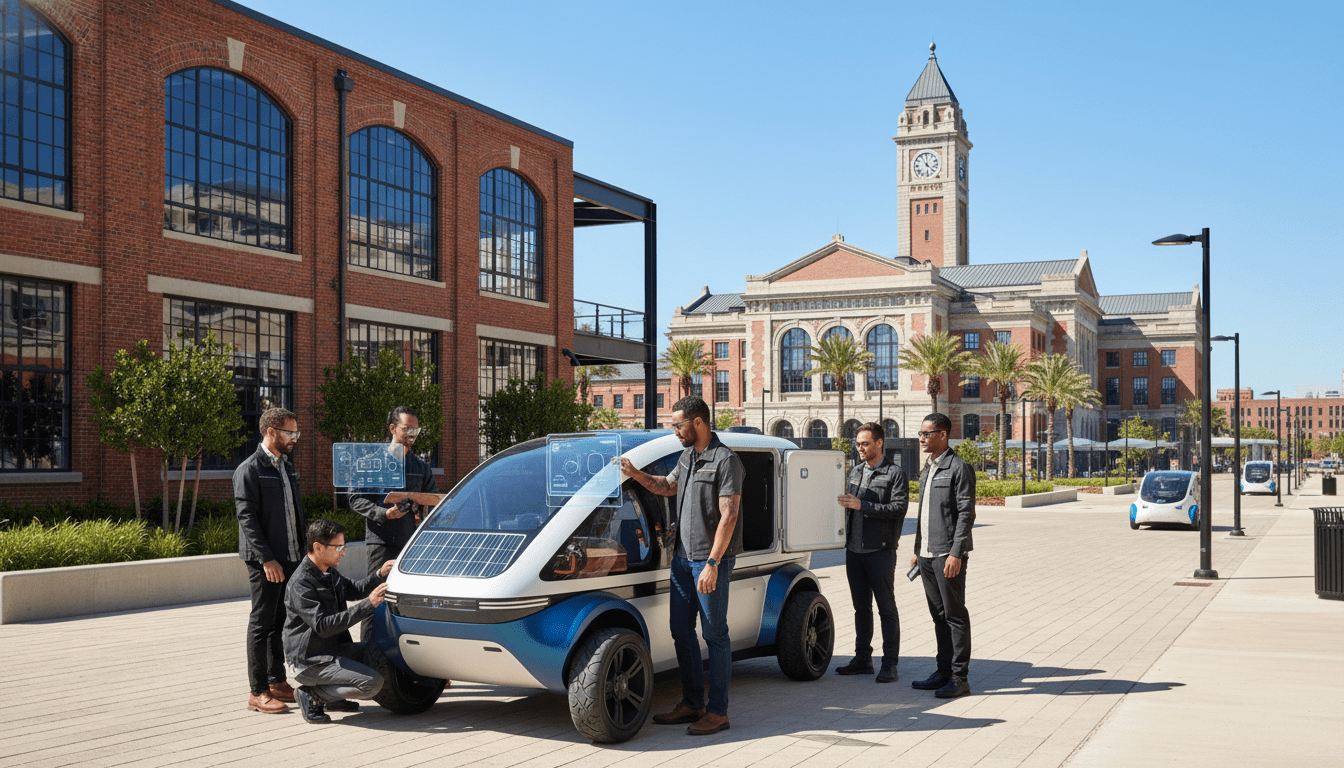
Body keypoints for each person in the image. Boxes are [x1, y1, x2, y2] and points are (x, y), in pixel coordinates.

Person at [620, 396, 743, 736]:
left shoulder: (725, 460)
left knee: (715, 635)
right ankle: (693, 703)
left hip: (709, 561)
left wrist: (714, 563)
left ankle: (718, 713)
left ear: (698, 423)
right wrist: (635, 474)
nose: (674, 431)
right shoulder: (687, 457)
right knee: (681, 630)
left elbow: (729, 514)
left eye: (678, 425)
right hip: (682, 560)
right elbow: (667, 487)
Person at [234, 407, 307, 714]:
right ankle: (258, 691)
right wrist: (266, 559)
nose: (294, 438)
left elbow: (293, 514)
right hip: (266, 562)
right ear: (271, 432)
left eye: (296, 433)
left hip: (291, 557)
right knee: (262, 624)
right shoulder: (249, 469)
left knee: (281, 621)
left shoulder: (286, 467)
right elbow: (246, 518)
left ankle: (277, 681)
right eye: (290, 433)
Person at [284, 519, 393, 724]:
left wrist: (380, 574)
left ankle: (333, 698)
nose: (343, 552)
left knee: (379, 653)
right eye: (338, 547)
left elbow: (352, 589)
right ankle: (312, 695)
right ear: (318, 547)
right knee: (372, 684)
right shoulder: (302, 583)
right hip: (309, 660)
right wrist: (368, 605)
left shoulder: (328, 570)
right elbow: (324, 626)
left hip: (331, 650)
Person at [349, 406, 437, 640]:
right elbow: (355, 498)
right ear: (392, 428)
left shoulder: (421, 467)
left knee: (408, 600)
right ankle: (368, 653)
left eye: (416, 429)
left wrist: (422, 511)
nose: (413, 434)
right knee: (375, 598)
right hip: (381, 543)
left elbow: (433, 500)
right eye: (407, 428)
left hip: (410, 544)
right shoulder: (370, 463)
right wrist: (383, 513)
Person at [834, 422, 909, 682]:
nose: (860, 448)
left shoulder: (894, 473)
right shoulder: (855, 471)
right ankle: (863, 658)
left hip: (880, 551)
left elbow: (899, 508)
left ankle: (890, 664)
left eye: (865, 443)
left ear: (879, 443)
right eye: (858, 444)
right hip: (853, 551)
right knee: (861, 608)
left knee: (886, 608)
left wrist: (862, 505)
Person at [908, 412, 976, 699]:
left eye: (927, 434)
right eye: (920, 434)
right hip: (926, 554)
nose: (922, 439)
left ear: (943, 435)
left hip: (947, 554)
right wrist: (916, 551)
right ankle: (943, 671)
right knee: (938, 616)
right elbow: (924, 513)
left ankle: (959, 679)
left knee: (954, 616)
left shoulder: (958, 467)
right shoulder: (928, 467)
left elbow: (966, 514)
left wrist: (956, 553)